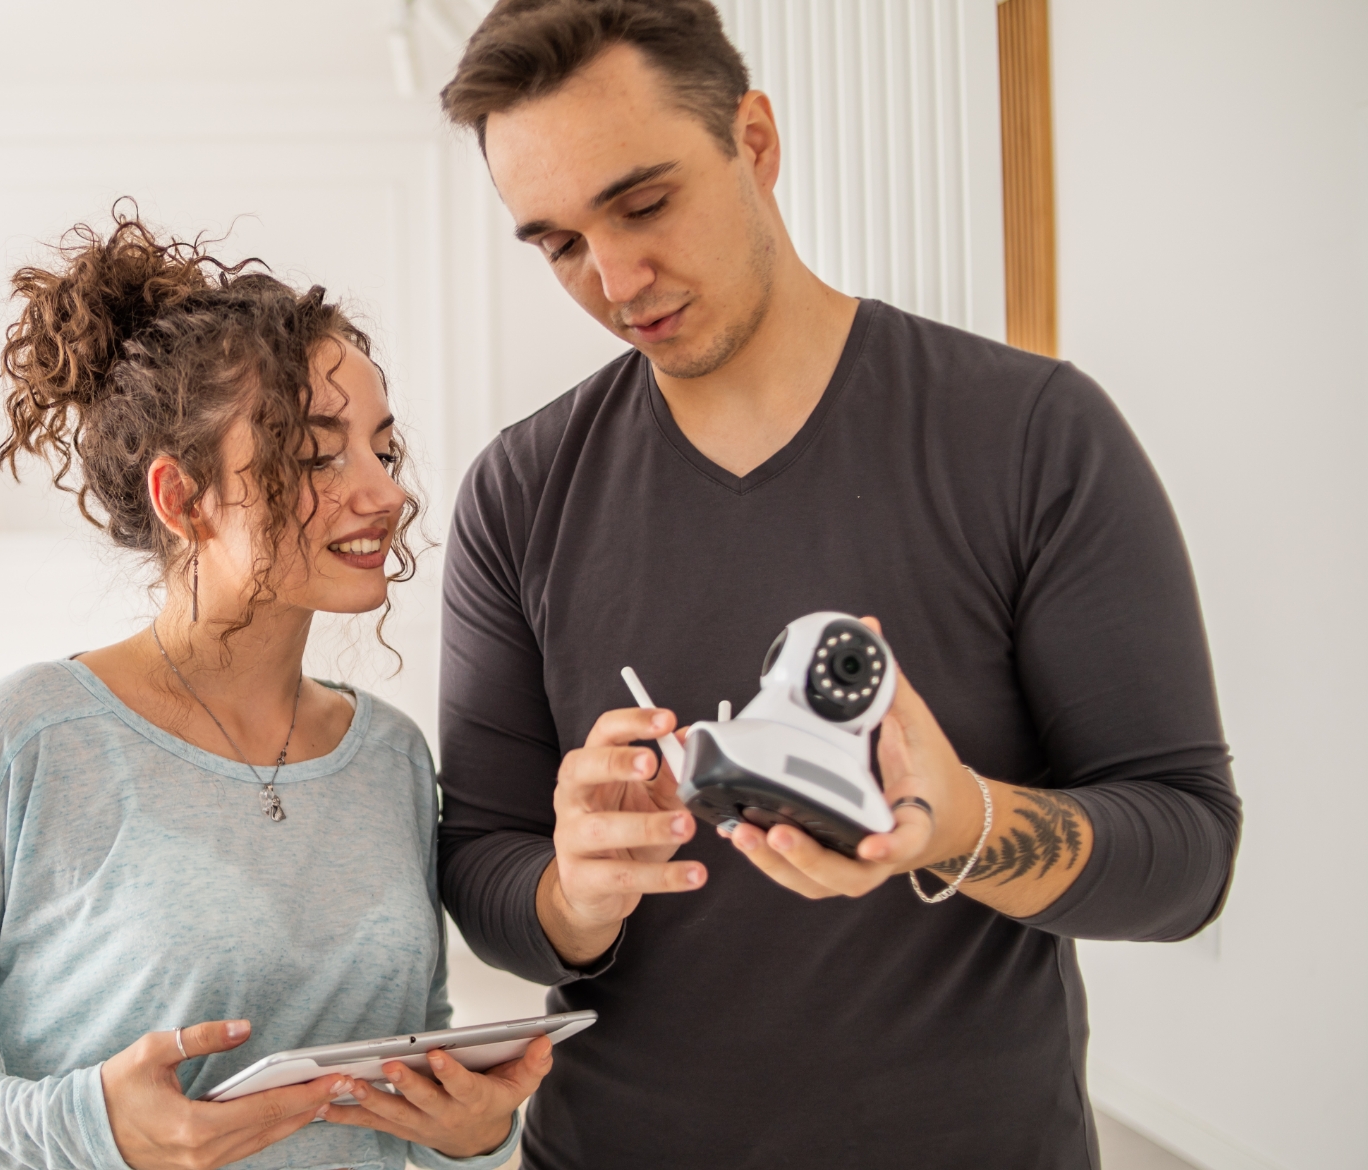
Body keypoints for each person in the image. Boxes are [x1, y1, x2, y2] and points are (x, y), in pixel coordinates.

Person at [433, 3, 1241, 1168]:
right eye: (558, 243)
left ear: (754, 141)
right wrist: (574, 891)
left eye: (644, 203)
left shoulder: (1032, 436)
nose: (614, 279)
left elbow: (1186, 855)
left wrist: (962, 824)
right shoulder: (519, 492)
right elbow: (481, 864)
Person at [0, 211, 548, 1170]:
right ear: (182, 498)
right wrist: (94, 1127)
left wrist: (480, 1137)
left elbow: (414, 1066)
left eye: (384, 447)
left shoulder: (393, 756)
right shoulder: (29, 739)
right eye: (319, 453)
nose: (384, 491)